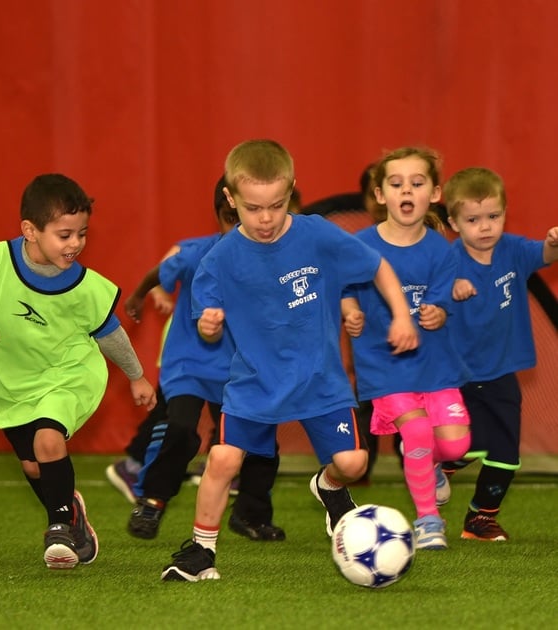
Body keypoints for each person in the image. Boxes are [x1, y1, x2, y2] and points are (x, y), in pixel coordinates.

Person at [160, 139, 418, 582]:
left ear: (292, 193)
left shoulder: (315, 234)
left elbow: (376, 265)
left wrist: (400, 315)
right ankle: (201, 552)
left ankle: (329, 487)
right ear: (230, 199)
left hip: (320, 381)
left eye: (276, 206)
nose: (265, 219)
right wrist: (211, 324)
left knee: (354, 464)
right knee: (222, 459)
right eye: (253, 207)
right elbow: (206, 325)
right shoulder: (218, 260)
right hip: (255, 383)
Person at [0, 173, 157, 570]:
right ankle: (71, 511)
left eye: (82, 234)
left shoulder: (86, 287)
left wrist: (136, 375)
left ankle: (58, 526)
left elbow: (111, 335)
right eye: (64, 234)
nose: (75, 244)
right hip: (11, 383)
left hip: (68, 374)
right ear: (30, 230)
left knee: (48, 438)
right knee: (33, 464)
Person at [113, 175, 285, 542]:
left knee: (260, 442)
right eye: (233, 216)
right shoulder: (196, 253)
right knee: (179, 429)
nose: (240, 225)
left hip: (239, 372)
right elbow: (160, 272)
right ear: (223, 212)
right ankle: (152, 500)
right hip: (189, 364)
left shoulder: (271, 262)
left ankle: (251, 514)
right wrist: (139, 295)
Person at [342, 147, 471, 550]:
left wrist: (437, 315)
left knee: (454, 445)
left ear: (435, 193)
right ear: (380, 195)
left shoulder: (441, 249)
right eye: (396, 185)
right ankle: (428, 521)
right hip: (384, 365)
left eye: (417, 184)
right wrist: (350, 311)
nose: (406, 192)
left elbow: (441, 302)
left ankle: (433, 466)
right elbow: (342, 286)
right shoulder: (361, 245)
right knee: (415, 432)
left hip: (434, 364)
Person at [439, 167, 558, 541]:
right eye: (473, 220)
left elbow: (543, 254)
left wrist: (553, 243)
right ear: (454, 223)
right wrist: (447, 290)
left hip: (503, 370)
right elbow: (426, 303)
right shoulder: (447, 262)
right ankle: (436, 462)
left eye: (494, 216)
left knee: (506, 452)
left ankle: (481, 519)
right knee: (466, 441)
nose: (485, 227)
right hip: (461, 374)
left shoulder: (512, 250)